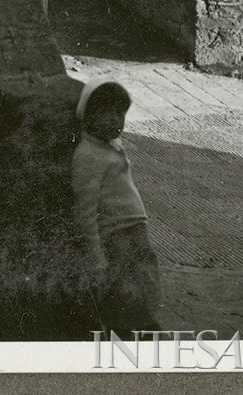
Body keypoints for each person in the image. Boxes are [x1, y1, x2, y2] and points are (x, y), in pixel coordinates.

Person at [72, 77, 161, 335]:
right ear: (87, 115)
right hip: (116, 230)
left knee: (143, 274)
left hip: (133, 224)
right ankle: (136, 326)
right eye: (105, 112)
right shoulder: (88, 155)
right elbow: (85, 210)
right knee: (124, 281)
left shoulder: (109, 145)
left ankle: (143, 319)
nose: (114, 119)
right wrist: (95, 256)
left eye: (119, 112)